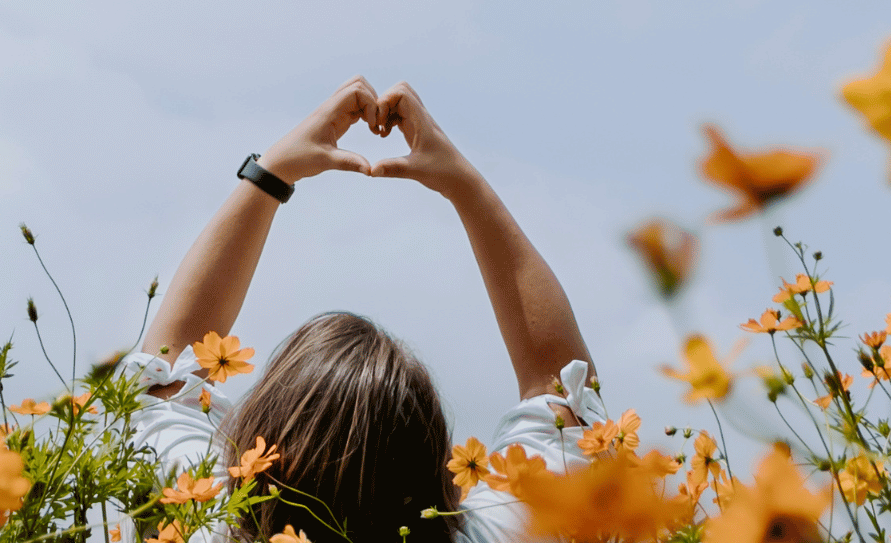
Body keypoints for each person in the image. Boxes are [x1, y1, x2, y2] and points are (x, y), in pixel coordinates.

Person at [116, 76, 604, 543]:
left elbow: (168, 366)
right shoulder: (498, 533)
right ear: (437, 475)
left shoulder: (202, 521)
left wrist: (272, 172)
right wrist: (463, 184)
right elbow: (562, 388)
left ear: (255, 450)